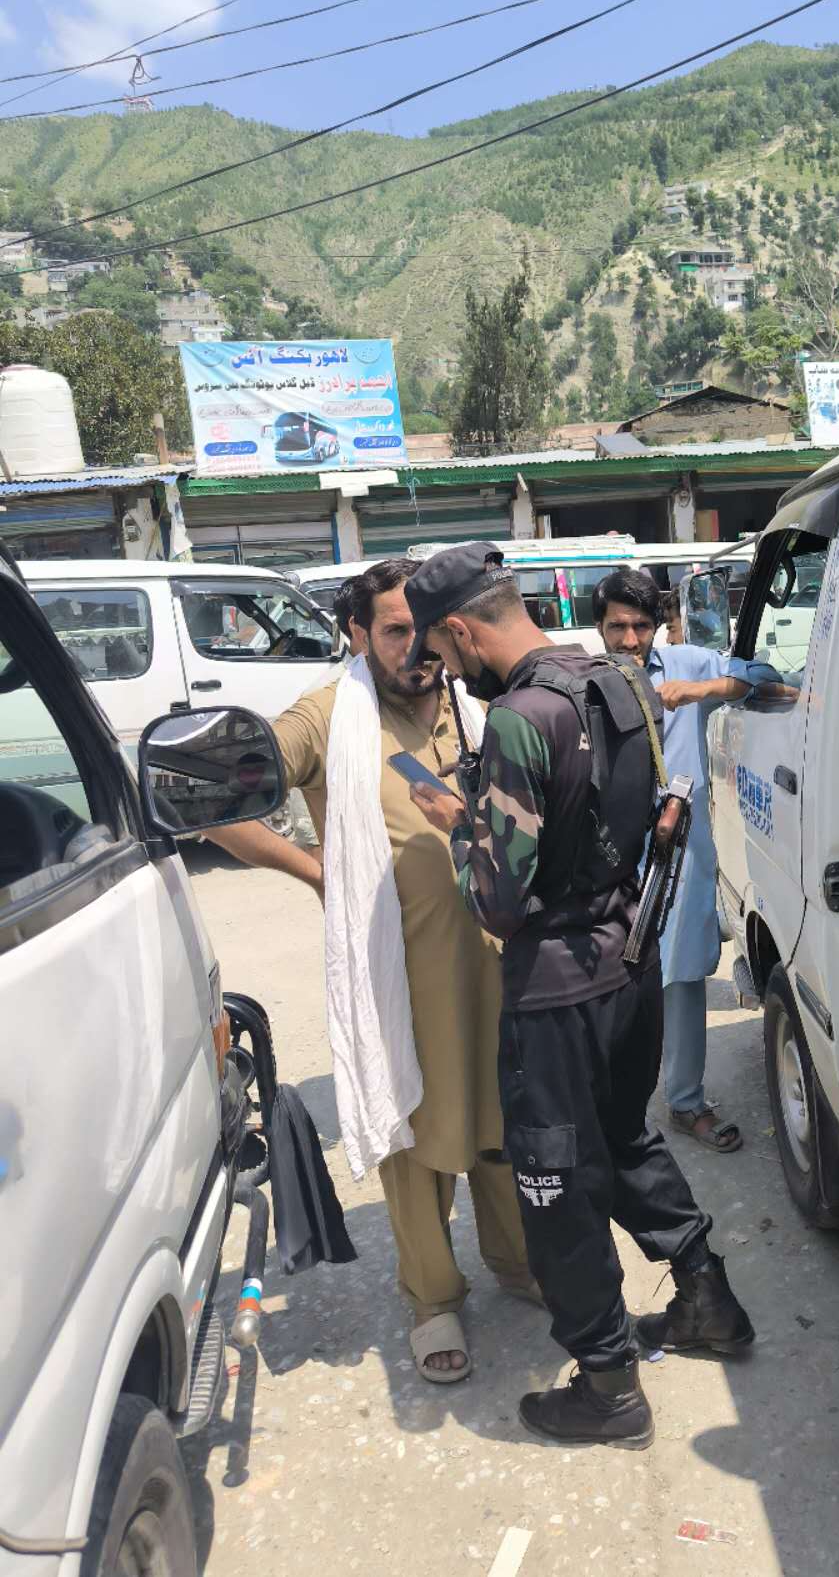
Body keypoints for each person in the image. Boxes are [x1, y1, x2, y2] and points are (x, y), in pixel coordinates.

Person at [406, 543, 753, 1452]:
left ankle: (607, 1387)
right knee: (627, 1138)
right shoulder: (622, 681)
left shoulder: (521, 719)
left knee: (554, 1181)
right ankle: (705, 1294)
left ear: (460, 629)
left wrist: (460, 827)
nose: (447, 675)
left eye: (444, 658)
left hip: (555, 991)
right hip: (628, 963)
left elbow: (498, 896)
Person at [209, 558, 533, 1386]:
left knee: (504, 1122)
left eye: (424, 627)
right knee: (413, 1133)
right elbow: (216, 799)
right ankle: (433, 1300)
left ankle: (520, 1264)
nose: (417, 646)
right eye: (394, 630)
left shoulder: (469, 694)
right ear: (355, 634)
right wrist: (314, 869)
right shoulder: (328, 717)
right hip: (400, 980)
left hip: (494, 964)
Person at [592, 566, 762, 1151]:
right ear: (600, 628)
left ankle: (685, 1102)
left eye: (642, 626)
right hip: (610, 858)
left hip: (681, 857)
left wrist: (702, 692)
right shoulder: (582, 683)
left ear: (662, 626)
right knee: (611, 985)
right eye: (618, 627)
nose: (631, 641)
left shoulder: (688, 664)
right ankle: (615, 1112)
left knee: (683, 977)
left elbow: (768, 680)